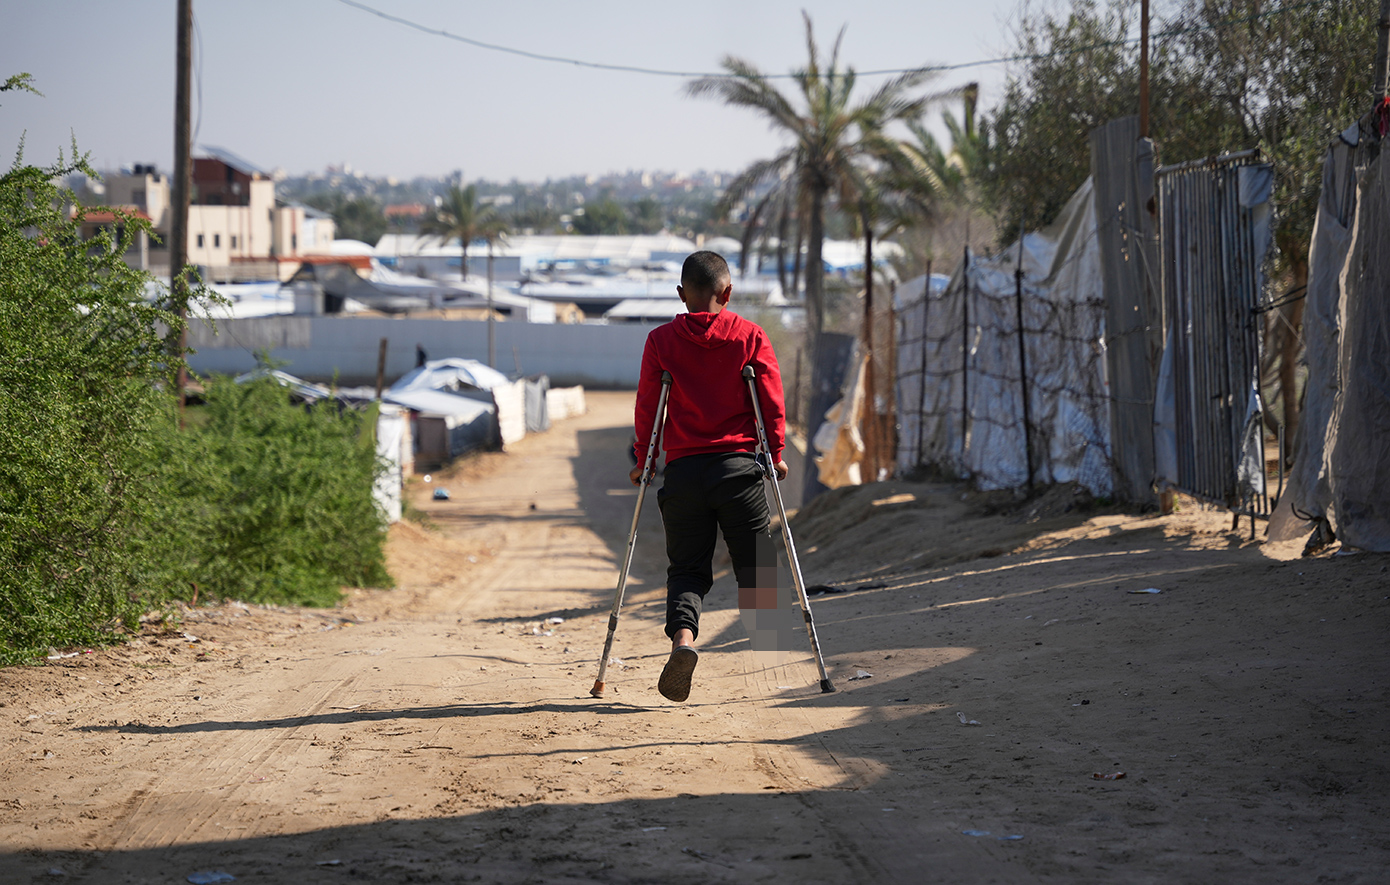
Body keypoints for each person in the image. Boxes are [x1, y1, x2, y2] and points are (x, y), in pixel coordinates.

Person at [630, 251, 787, 702]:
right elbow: (772, 401)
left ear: (681, 294)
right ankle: (773, 651)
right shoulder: (751, 336)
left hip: (683, 473)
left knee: (687, 568)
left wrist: (645, 459)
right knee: (756, 563)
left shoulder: (661, 341)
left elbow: (647, 407)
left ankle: (683, 641)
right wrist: (775, 453)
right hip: (738, 472)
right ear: (728, 292)